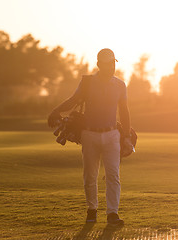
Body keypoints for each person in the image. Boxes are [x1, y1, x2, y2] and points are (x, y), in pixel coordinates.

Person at [48, 48, 133, 227]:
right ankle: (92, 210)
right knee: (90, 175)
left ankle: (112, 214)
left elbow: (124, 111)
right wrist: (56, 110)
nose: (111, 67)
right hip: (89, 134)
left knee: (113, 175)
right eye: (107, 64)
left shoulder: (120, 85)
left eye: (113, 63)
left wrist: (125, 136)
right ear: (98, 65)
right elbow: (73, 100)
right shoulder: (87, 83)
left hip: (111, 134)